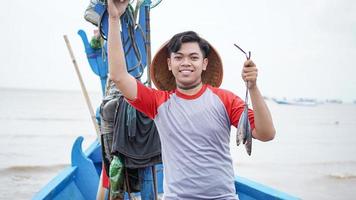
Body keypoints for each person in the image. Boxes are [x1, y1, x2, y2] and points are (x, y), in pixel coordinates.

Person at [107, 0, 276, 199]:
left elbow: (266, 133)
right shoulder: (157, 102)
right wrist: (114, 18)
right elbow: (118, 76)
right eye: (178, 57)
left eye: (193, 57)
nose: (186, 62)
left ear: (204, 63)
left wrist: (253, 87)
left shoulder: (225, 99)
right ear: (169, 63)